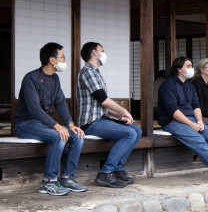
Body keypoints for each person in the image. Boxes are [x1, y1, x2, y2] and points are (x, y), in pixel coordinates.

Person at [15, 43, 87, 196]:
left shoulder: (55, 79)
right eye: (62, 57)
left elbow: (60, 103)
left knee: (78, 136)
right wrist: (56, 126)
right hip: (25, 124)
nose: (64, 60)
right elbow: (34, 109)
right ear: (52, 60)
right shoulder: (31, 78)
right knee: (58, 136)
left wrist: (70, 124)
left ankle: (67, 178)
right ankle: (48, 182)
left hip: (43, 124)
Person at [77, 42, 142, 188]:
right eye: (102, 50)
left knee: (136, 130)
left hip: (100, 119)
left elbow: (101, 105)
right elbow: (103, 99)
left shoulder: (95, 73)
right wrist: (123, 111)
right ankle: (105, 173)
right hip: (91, 123)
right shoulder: (88, 72)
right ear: (94, 52)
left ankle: (118, 169)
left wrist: (119, 116)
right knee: (129, 134)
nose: (104, 53)